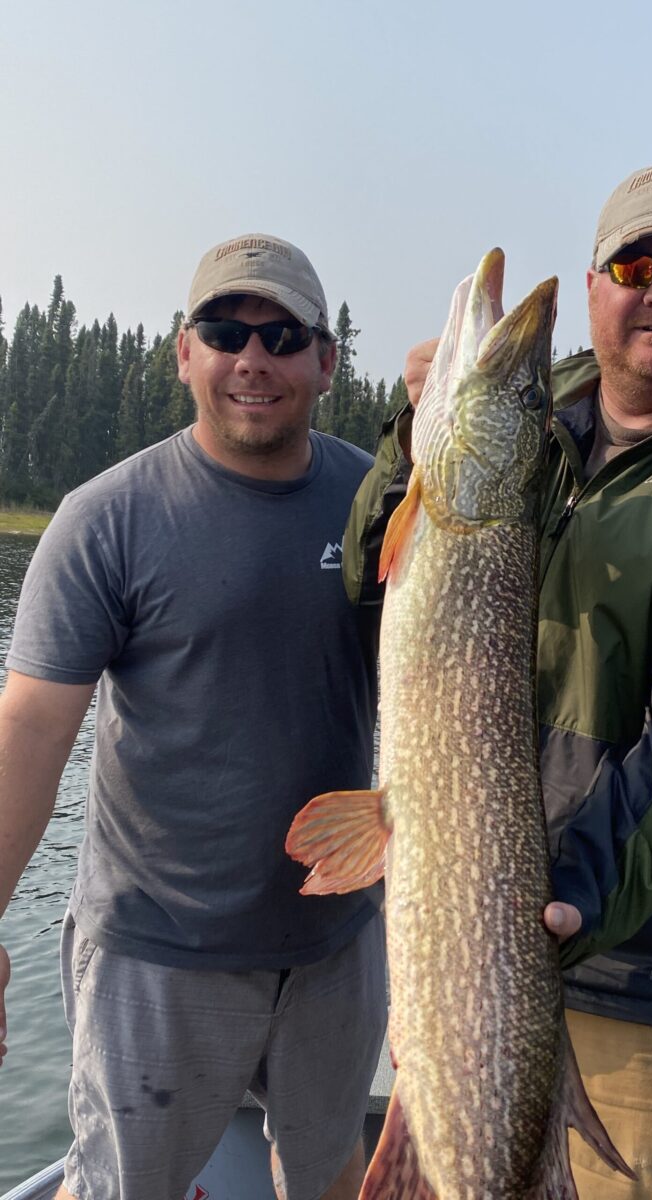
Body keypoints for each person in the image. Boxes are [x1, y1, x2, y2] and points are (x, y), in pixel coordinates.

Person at [342, 162, 652, 1198]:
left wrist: (553, 902)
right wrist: (411, 447)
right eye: (634, 266)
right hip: (476, 951)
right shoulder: (541, 424)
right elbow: (366, 579)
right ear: (593, 286)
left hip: (650, 991)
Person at [0, 233, 387, 1200]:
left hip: (335, 945)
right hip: (158, 953)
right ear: (184, 353)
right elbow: (30, 734)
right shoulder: (106, 518)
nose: (252, 358)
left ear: (326, 362)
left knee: (334, 1173)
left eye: (283, 336)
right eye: (224, 331)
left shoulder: (376, 506)